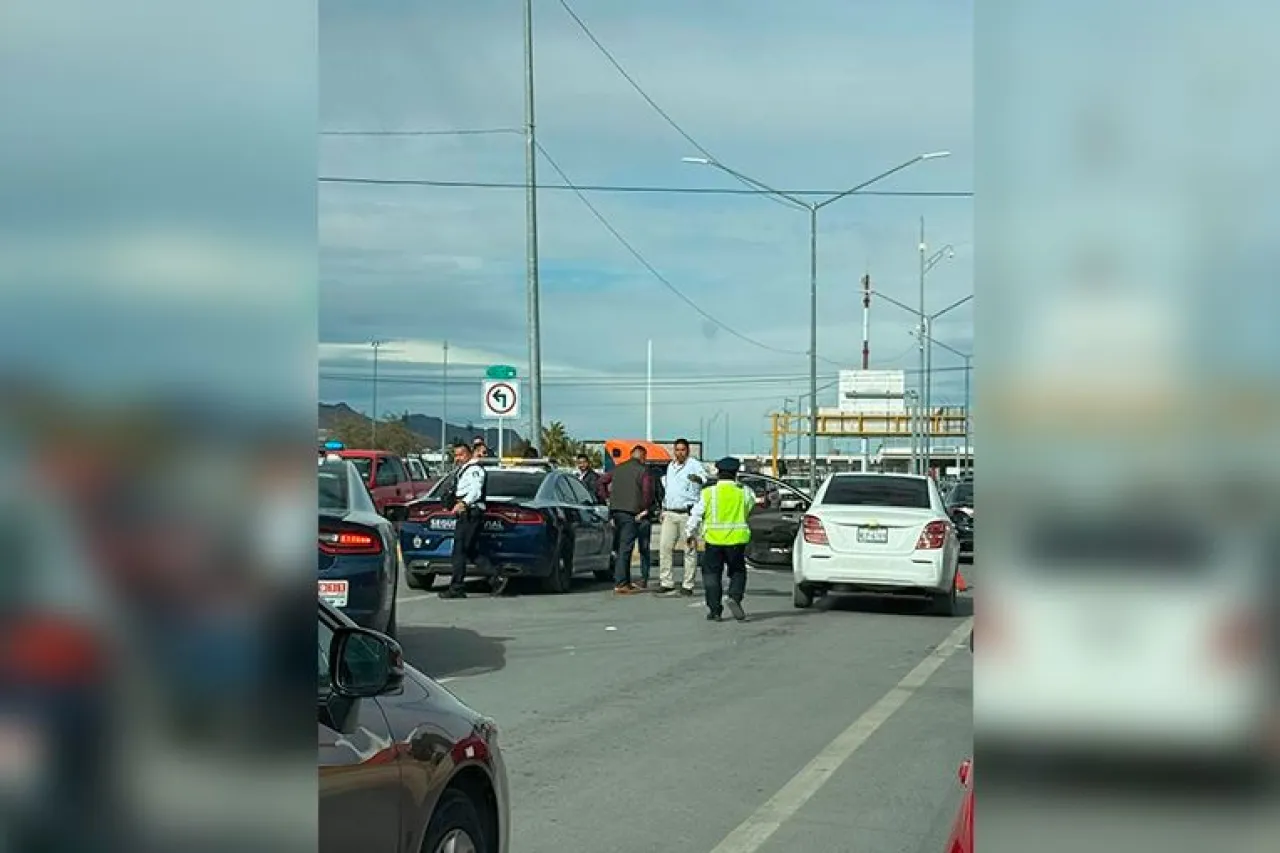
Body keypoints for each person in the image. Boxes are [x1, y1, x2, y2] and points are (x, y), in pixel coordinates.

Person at [686, 457, 756, 621]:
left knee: (711, 575)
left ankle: (715, 610)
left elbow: (696, 514)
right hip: (737, 541)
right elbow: (750, 506)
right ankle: (735, 597)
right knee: (738, 572)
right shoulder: (745, 492)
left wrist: (690, 533)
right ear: (735, 474)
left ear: (718, 473)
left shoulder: (708, 493)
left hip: (714, 541)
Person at [438, 441, 491, 599]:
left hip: (470, 512)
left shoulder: (474, 470)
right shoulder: (463, 469)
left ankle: (457, 587)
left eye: (461, 454)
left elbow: (475, 491)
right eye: (456, 455)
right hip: (465, 512)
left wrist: (464, 503)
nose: (458, 458)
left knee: (459, 551)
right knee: (470, 550)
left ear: (469, 453)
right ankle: (496, 577)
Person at [657, 437, 705, 596]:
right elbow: (668, 489)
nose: (679, 453)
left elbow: (704, 478)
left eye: (682, 450)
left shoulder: (694, 464)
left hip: (687, 513)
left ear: (688, 451)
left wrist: (697, 479)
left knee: (689, 549)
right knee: (665, 547)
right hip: (670, 512)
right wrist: (663, 509)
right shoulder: (671, 466)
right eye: (677, 450)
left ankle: (688, 584)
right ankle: (666, 581)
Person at [597, 445, 648, 594]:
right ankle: (621, 582)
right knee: (626, 547)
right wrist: (644, 508)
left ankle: (625, 580)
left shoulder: (617, 469)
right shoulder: (643, 471)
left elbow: (601, 482)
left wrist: (607, 498)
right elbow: (646, 491)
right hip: (631, 512)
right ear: (643, 456)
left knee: (621, 546)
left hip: (615, 511)